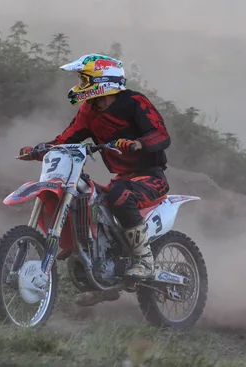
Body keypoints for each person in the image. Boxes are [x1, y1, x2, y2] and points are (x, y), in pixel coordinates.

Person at [18, 53, 171, 306]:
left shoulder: (134, 102)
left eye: (84, 78)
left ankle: (144, 259)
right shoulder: (89, 110)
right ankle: (102, 277)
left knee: (119, 195)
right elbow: (65, 140)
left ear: (103, 81)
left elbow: (161, 135)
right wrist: (37, 151)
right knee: (85, 196)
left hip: (150, 178)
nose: (80, 83)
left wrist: (137, 143)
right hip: (122, 178)